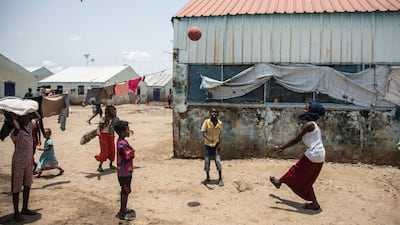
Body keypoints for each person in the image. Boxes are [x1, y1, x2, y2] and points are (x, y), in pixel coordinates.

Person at [269, 101, 326, 210]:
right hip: (320, 155)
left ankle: (279, 182)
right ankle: (314, 203)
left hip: (313, 154)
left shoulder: (309, 125)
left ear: (311, 111)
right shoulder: (314, 125)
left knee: (295, 171)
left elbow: (296, 139)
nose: (304, 108)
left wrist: (281, 147)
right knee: (308, 181)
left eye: (307, 107)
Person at [8, 112, 38, 222]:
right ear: (18, 119)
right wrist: (12, 117)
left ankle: (24, 208)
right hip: (19, 162)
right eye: (25, 117)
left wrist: (31, 109)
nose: (28, 118)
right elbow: (16, 127)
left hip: (28, 161)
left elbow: (38, 118)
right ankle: (16, 212)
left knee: (27, 184)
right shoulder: (15, 132)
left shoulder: (28, 127)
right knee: (16, 187)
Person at [114, 120, 136, 221]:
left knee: (125, 190)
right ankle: (122, 211)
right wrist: (132, 152)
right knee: (125, 190)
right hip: (125, 172)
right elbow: (129, 155)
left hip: (123, 171)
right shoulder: (122, 144)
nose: (129, 131)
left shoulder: (120, 141)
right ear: (122, 132)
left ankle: (123, 209)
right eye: (127, 130)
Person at [201, 108, 224, 186]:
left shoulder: (220, 123)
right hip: (207, 145)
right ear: (210, 113)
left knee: (217, 161)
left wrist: (219, 144)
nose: (213, 113)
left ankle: (220, 178)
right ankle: (207, 177)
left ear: (217, 114)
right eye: (212, 112)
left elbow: (220, 134)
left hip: (216, 145)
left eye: (215, 112)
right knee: (207, 161)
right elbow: (203, 132)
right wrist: (208, 138)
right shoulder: (206, 122)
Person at [95, 105, 119, 172]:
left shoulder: (116, 119)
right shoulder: (103, 119)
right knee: (104, 151)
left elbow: (119, 126)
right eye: (112, 110)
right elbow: (99, 127)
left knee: (112, 150)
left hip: (111, 136)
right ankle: (100, 166)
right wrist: (98, 131)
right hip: (103, 136)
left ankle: (111, 164)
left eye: (114, 110)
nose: (114, 112)